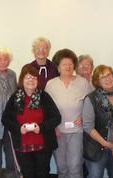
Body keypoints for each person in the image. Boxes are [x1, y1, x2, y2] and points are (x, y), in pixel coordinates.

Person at [2, 65, 61, 178]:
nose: (31, 80)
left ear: (38, 81)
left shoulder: (44, 96)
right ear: (22, 80)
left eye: (34, 77)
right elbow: (5, 119)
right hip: (22, 145)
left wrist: (41, 127)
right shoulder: (16, 97)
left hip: (43, 145)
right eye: (28, 77)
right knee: (27, 174)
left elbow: (57, 118)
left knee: (42, 174)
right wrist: (18, 128)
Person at [45, 48, 90, 178]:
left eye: (70, 64)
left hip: (76, 131)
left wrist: (82, 117)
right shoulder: (51, 84)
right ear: (58, 67)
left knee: (75, 166)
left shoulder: (82, 82)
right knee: (62, 167)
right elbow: (47, 109)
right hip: (57, 131)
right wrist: (53, 127)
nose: (68, 67)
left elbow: (89, 106)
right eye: (64, 64)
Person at [82, 65, 113, 178]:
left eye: (109, 75)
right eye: (103, 77)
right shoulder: (91, 98)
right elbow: (88, 126)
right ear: (97, 81)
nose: (107, 79)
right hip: (96, 148)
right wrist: (105, 143)